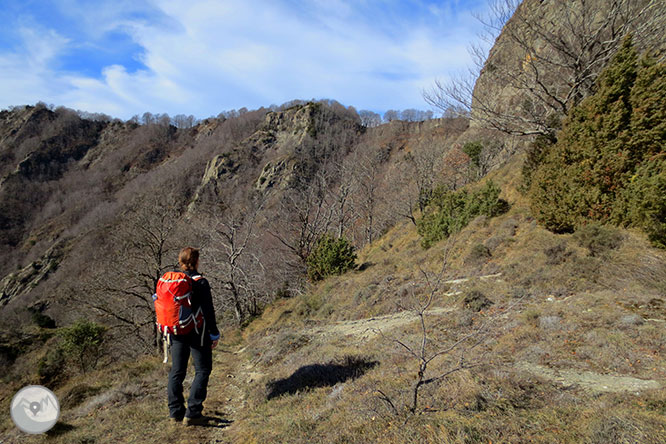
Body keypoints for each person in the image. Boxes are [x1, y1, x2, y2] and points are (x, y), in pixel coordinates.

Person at [168, 247, 220, 426]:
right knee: (202, 369)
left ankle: (175, 412)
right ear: (196, 261)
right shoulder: (200, 282)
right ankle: (193, 412)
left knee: (177, 371)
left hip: (176, 331)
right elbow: (208, 311)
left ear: (180, 262)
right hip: (198, 331)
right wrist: (214, 333)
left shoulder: (171, 281)